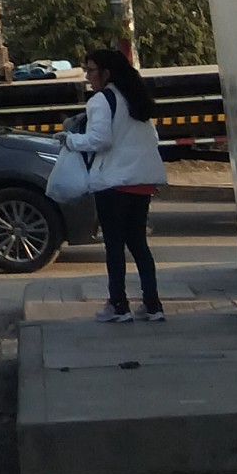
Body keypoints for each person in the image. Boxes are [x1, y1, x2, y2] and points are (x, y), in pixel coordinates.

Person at [79, 46, 166, 319]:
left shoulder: (101, 100)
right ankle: (152, 305)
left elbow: (100, 140)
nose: (87, 76)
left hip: (114, 182)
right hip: (142, 181)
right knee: (138, 243)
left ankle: (118, 304)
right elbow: (152, 138)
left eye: (91, 70)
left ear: (106, 73)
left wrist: (70, 140)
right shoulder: (135, 98)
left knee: (114, 246)